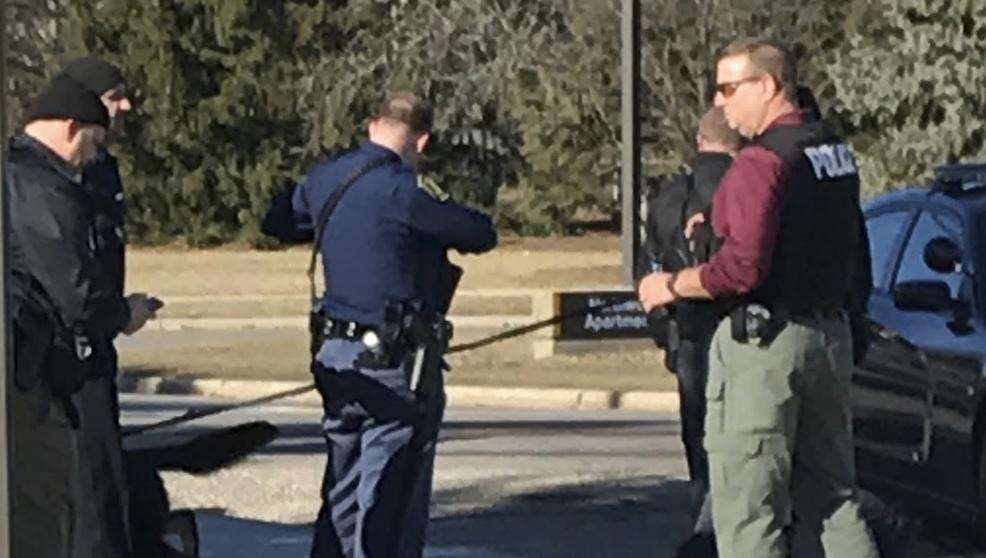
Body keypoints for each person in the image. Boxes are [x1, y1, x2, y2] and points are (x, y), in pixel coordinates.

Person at [637, 39, 879, 558]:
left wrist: (673, 284)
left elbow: (741, 268)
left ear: (767, 85)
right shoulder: (829, 150)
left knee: (748, 511)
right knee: (833, 501)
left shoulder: (761, 161)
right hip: (828, 334)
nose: (720, 102)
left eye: (728, 88)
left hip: (765, 345)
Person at [265, 91, 497, 558]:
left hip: (336, 355)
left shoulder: (327, 178)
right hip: (395, 362)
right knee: (390, 498)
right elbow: (479, 232)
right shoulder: (405, 191)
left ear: (372, 124)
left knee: (342, 487)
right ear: (422, 140)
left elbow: (278, 219)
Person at [7, 73, 156, 558]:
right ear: (72, 127)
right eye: (93, 142)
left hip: (36, 368)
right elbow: (73, 288)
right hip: (43, 374)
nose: (94, 156)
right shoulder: (37, 184)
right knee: (79, 505)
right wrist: (122, 314)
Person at [637, 106, 741, 557]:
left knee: (700, 445)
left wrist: (666, 335)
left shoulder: (669, 199)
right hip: (741, 332)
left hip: (690, 335)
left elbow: (648, 271)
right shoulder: (749, 190)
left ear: (700, 141)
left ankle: (705, 531)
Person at [58, 54, 144, 556]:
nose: (126, 107)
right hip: (65, 354)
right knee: (86, 493)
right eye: (115, 98)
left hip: (101, 343)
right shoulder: (49, 175)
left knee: (108, 488)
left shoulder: (103, 168)